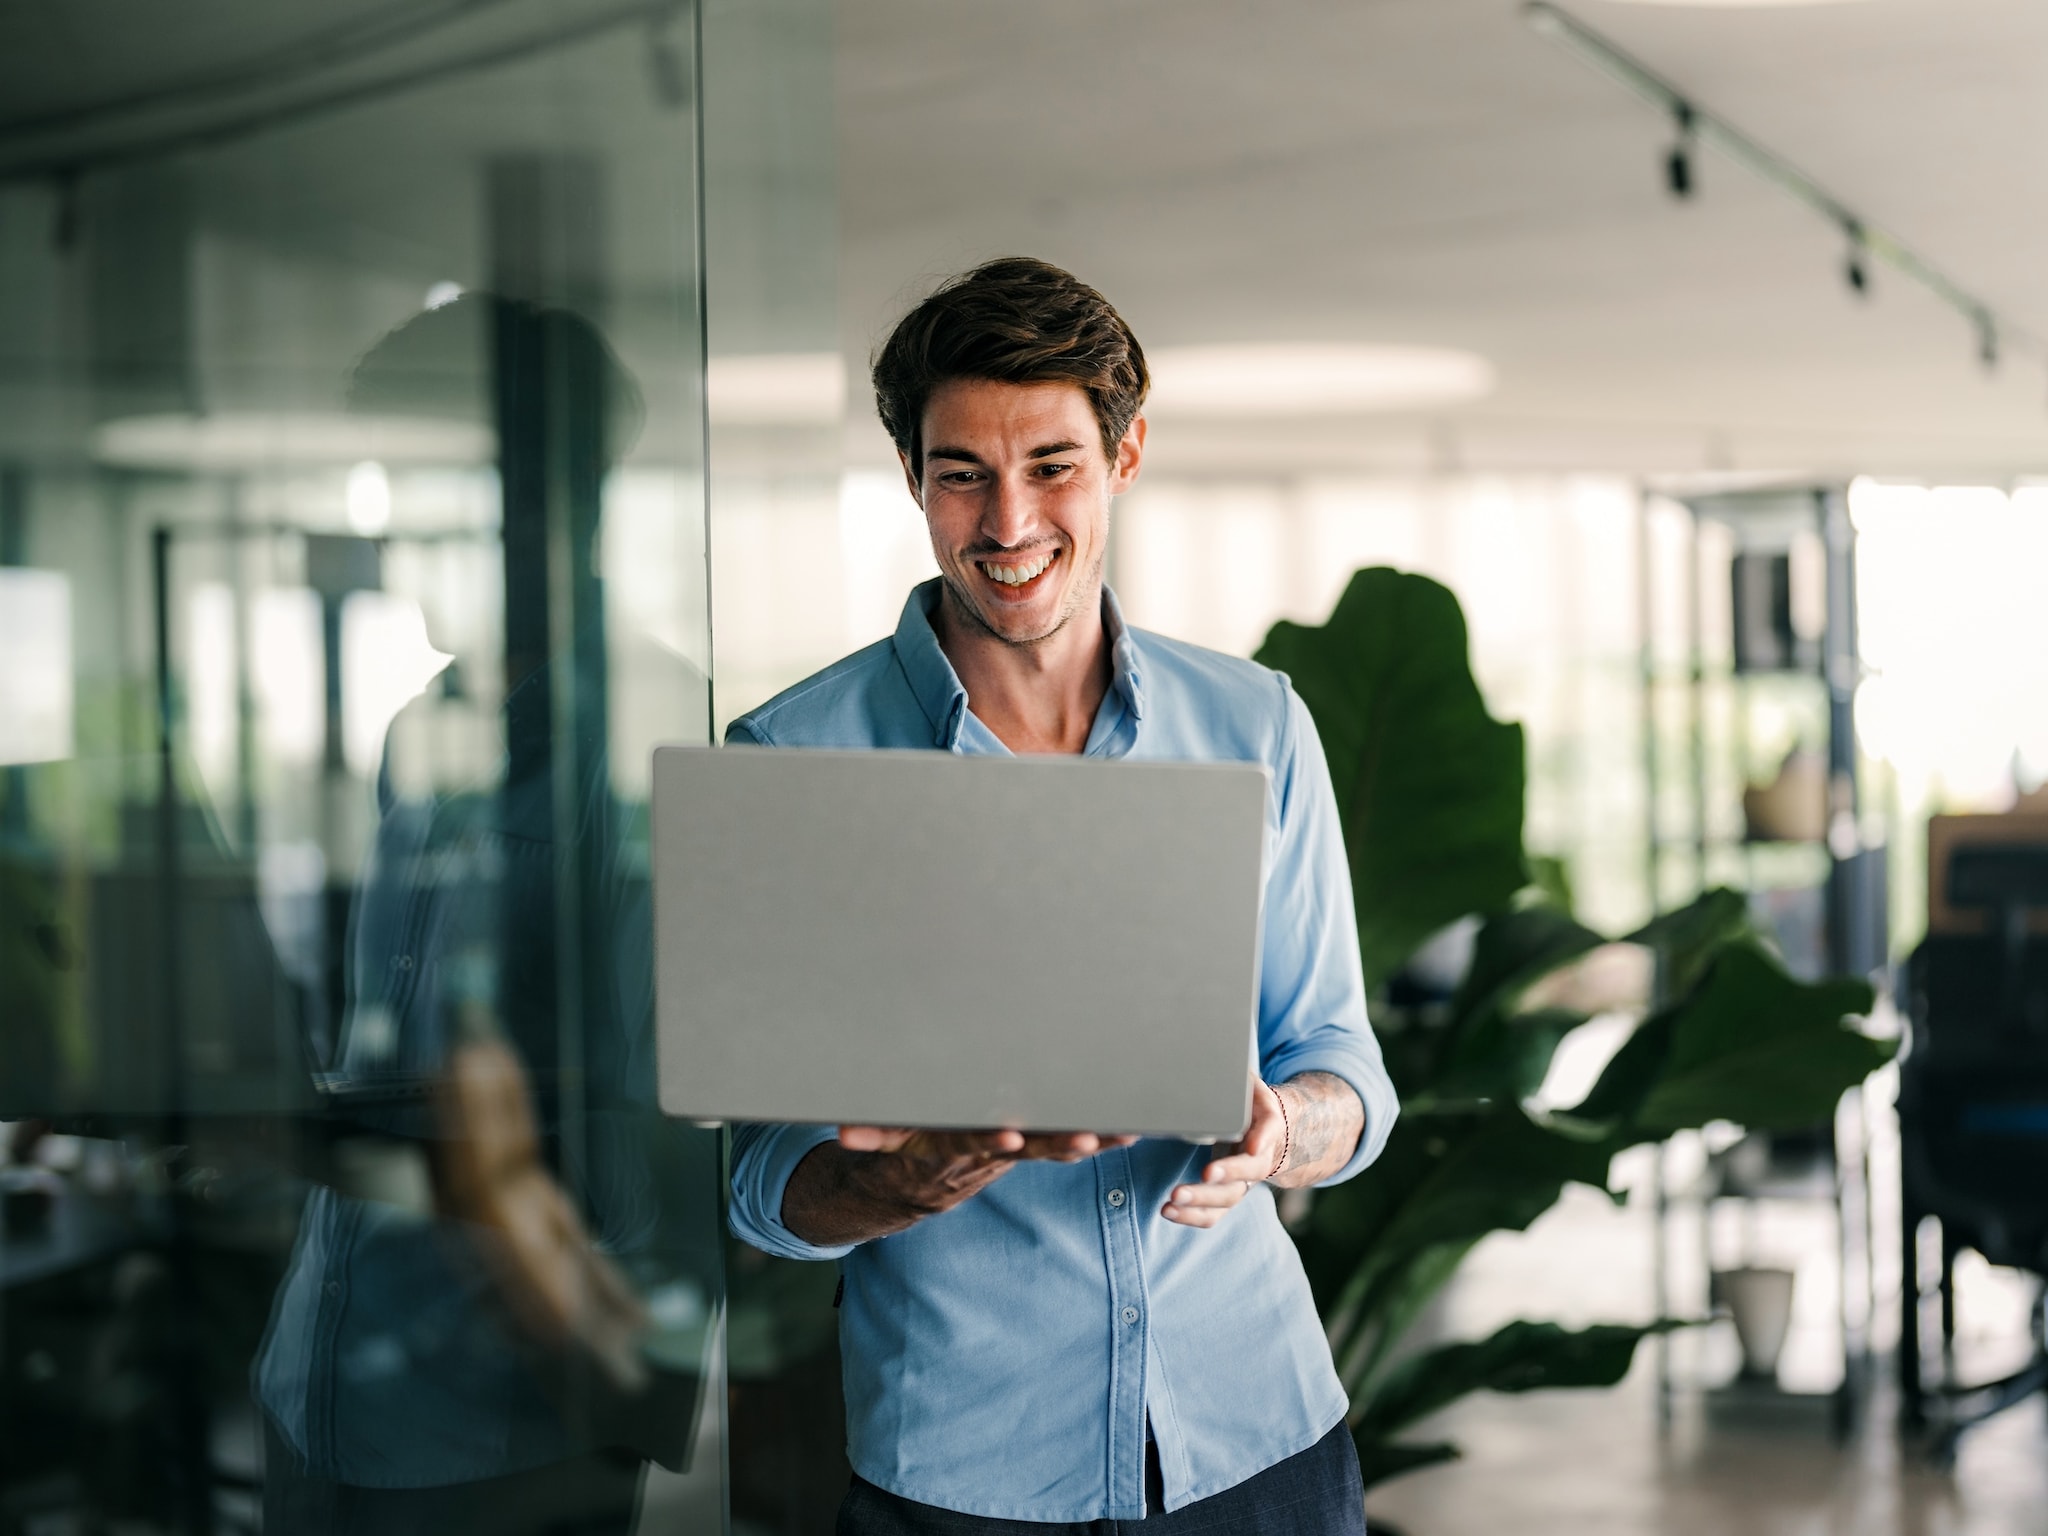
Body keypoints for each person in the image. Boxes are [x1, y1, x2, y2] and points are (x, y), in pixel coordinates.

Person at [727, 257, 1399, 1533]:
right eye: (959, 474)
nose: (1007, 523)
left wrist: (1280, 1137)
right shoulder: (794, 762)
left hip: (1254, 1436)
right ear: (913, 480)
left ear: (1124, 453)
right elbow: (764, 1181)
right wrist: (897, 1184)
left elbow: (1339, 1064)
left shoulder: (1254, 724)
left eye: (1050, 466)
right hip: (963, 1471)